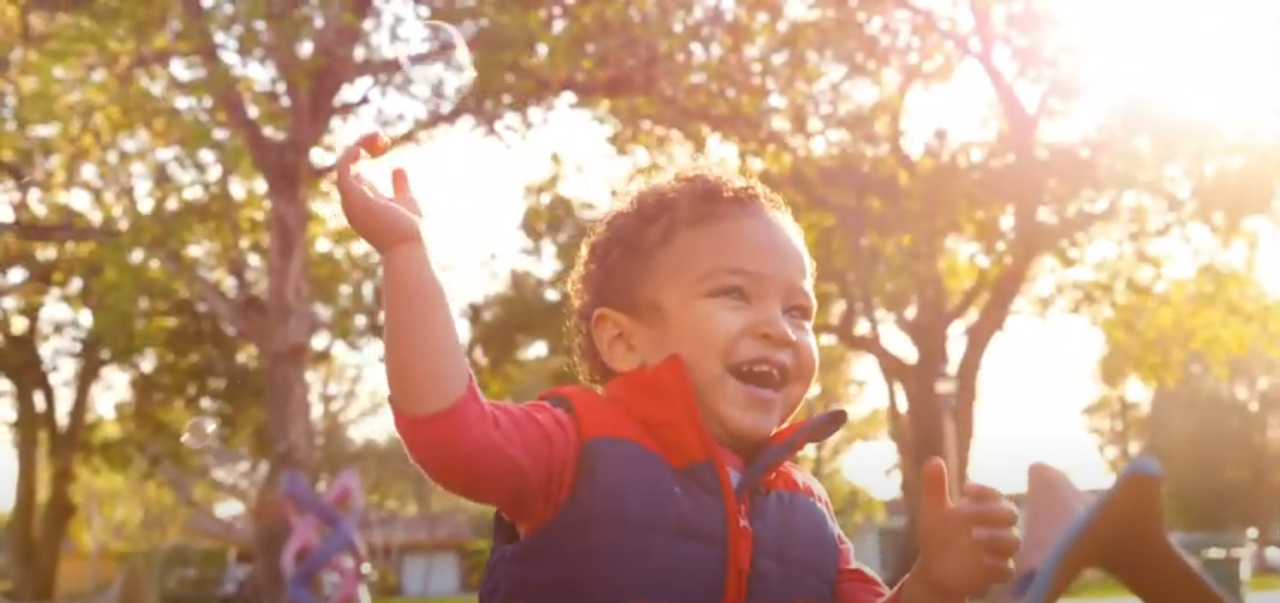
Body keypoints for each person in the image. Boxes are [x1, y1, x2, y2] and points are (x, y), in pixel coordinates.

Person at [336, 132, 1021, 603]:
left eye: (798, 310)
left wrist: (935, 583)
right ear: (625, 341)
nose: (775, 326)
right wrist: (405, 253)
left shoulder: (805, 507)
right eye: (733, 293)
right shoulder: (577, 444)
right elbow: (450, 433)